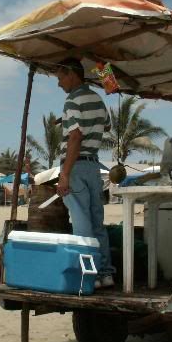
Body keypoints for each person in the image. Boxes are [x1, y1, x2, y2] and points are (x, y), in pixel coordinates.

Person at [55, 58, 115, 288]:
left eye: (61, 78)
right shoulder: (97, 99)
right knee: (97, 223)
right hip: (93, 166)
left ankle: (91, 275)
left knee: (82, 225)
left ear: (72, 74)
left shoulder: (71, 100)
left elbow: (75, 136)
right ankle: (106, 273)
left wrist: (65, 174)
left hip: (76, 166)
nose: (59, 84)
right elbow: (106, 125)